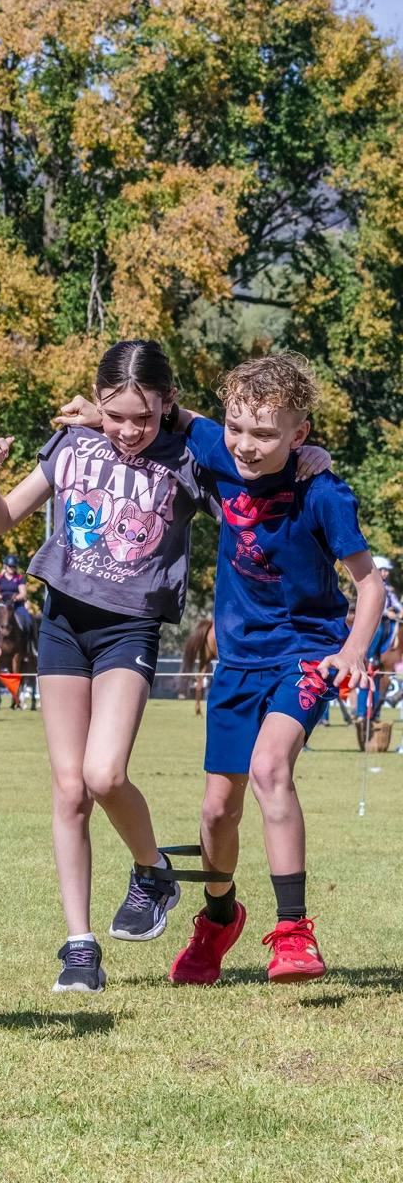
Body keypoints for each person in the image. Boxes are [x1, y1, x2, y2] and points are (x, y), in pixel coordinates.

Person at [0, 340, 214, 993]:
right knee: (70, 788)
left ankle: (153, 870)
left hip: (128, 630)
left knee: (105, 773)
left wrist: (183, 419)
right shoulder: (73, 446)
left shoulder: (190, 459)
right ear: (97, 403)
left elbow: (251, 463)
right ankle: (79, 946)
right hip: (62, 625)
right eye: (115, 415)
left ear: (166, 403)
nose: (129, 431)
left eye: (144, 415)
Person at [157, 356, 380, 984]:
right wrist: (98, 415)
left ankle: (293, 933)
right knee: (214, 814)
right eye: (239, 429)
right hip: (237, 662)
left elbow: (369, 585)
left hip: (307, 653)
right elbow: (178, 416)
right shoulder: (222, 449)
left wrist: (354, 652)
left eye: (265, 434)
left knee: (269, 767)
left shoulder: (324, 493)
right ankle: (219, 918)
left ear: (299, 434)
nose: (247, 445)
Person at [0, 554, 35, 641]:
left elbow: (23, 593)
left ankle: (31, 645)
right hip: (2, 604)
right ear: (5, 566)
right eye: (10, 566)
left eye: (13, 566)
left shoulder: (19, 578)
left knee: (28, 619)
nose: (12, 568)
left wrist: (15, 598)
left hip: (16, 605)